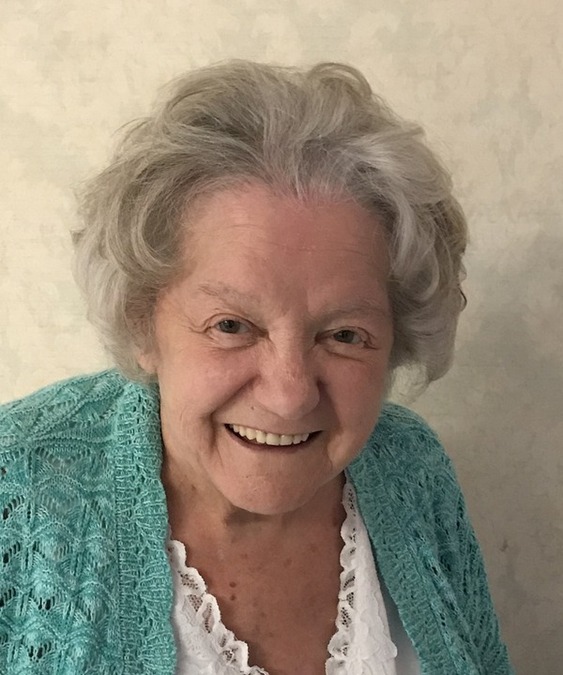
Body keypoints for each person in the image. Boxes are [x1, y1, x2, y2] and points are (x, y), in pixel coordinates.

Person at [0, 60, 512, 674]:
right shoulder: (17, 485)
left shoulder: (412, 469)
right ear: (142, 323)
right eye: (232, 326)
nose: (290, 395)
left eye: (344, 335)